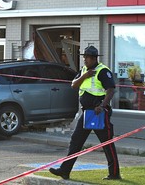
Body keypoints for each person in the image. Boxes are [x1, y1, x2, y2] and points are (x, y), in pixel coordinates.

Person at [49, 46, 121, 180]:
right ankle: (65, 170)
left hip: (99, 112)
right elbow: (74, 85)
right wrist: (85, 76)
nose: (84, 60)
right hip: (86, 112)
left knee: (106, 143)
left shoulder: (103, 71)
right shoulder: (83, 71)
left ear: (94, 59)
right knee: (75, 141)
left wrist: (102, 105)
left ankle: (115, 173)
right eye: (84, 57)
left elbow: (110, 90)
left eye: (86, 57)